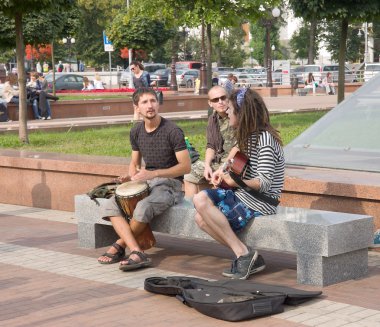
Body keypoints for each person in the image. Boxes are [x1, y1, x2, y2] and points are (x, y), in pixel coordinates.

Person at [193, 88, 285, 280]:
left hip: (260, 200)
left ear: (241, 114)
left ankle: (244, 254)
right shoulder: (248, 135)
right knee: (199, 213)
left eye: (230, 109)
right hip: (243, 194)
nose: (226, 111)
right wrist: (223, 170)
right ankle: (245, 253)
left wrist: (235, 182)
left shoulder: (265, 140)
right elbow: (237, 154)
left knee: (202, 208)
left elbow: (264, 182)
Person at [97, 87, 191, 270]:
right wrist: (131, 176)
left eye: (153, 101)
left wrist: (153, 173)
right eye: (145, 102)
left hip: (171, 184)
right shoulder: (136, 131)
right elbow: (134, 162)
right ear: (137, 108)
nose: (150, 106)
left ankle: (120, 246)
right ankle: (137, 251)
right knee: (110, 205)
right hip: (146, 181)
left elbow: (185, 167)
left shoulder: (173, 131)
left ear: (158, 103)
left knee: (143, 206)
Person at [184, 86, 235, 197]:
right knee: (190, 174)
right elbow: (210, 146)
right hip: (218, 162)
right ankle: (193, 210)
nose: (220, 102)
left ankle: (208, 206)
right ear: (210, 103)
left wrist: (223, 168)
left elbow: (239, 147)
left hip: (234, 164)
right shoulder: (213, 119)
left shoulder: (235, 116)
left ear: (228, 98)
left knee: (217, 180)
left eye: (223, 98)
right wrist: (207, 165)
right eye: (215, 100)